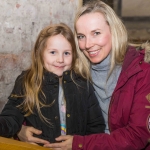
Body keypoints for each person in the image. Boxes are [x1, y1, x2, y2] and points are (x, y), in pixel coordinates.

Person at [17, 0, 150, 149]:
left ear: (114, 31)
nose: (87, 44)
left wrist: (80, 144)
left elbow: (138, 135)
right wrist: (20, 129)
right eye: (81, 36)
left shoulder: (141, 70)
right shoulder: (76, 70)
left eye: (96, 33)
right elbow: (41, 101)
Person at [0, 23, 105, 145]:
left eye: (66, 53)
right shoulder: (27, 81)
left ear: (74, 55)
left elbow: (96, 126)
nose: (60, 59)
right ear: (40, 53)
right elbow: (11, 117)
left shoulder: (82, 85)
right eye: (53, 52)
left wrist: (81, 144)